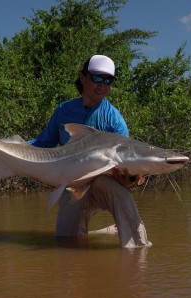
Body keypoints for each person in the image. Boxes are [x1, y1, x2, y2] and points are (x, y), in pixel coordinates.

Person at [28, 55, 152, 248]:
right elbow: (42, 143)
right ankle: (105, 231)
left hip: (104, 183)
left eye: (108, 80)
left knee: (121, 195)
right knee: (66, 243)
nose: (102, 84)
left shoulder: (114, 119)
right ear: (83, 77)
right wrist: (0, 147)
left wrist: (130, 179)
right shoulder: (64, 110)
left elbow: (131, 176)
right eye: (97, 78)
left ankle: (139, 247)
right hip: (74, 185)